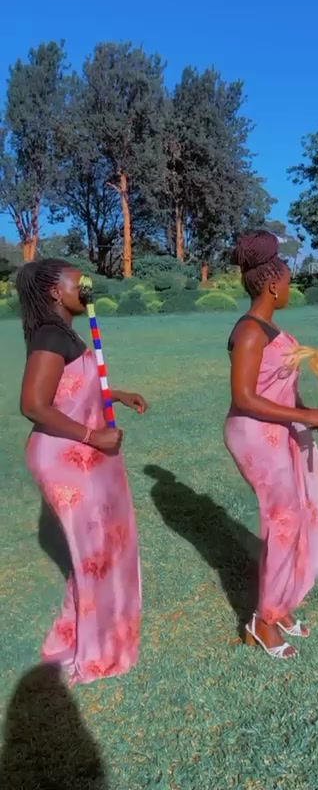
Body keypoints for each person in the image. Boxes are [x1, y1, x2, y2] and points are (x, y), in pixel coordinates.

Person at [16, 259, 147, 685]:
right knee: (93, 553)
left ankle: (88, 633)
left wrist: (117, 394)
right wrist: (93, 436)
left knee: (99, 549)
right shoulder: (50, 335)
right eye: (77, 279)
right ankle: (94, 651)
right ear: (56, 291)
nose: (85, 283)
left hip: (82, 451)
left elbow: (72, 385)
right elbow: (33, 405)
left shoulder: (66, 332)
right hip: (65, 457)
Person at [224, 231, 318, 659]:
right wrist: (306, 418)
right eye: (288, 282)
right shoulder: (249, 332)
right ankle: (261, 621)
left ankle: (277, 606)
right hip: (254, 435)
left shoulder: (271, 328)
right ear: (273, 286)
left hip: (277, 428)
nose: (290, 289)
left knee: (296, 517)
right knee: (283, 521)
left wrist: (308, 412)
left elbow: (275, 389)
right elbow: (244, 397)